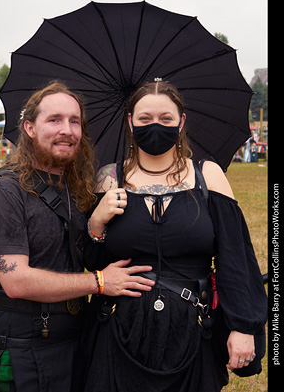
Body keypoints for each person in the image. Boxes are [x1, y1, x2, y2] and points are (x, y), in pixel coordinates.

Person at [82, 81, 267, 392]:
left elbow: (236, 257)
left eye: (166, 119)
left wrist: (243, 326)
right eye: (144, 118)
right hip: (119, 327)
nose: (155, 125)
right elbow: (92, 261)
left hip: (191, 328)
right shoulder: (108, 177)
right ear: (130, 122)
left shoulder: (207, 175)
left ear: (181, 122)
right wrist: (96, 223)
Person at [0, 81, 155, 392]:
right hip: (21, 350)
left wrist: (96, 224)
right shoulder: (6, 191)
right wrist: (99, 282)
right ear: (29, 127)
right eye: (54, 120)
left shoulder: (75, 188)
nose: (66, 130)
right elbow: (17, 282)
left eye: (74, 121)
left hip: (73, 341)